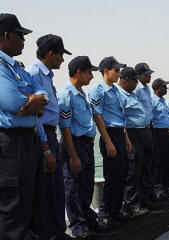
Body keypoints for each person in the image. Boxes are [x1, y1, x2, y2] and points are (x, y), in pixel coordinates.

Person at [0, 13, 49, 240]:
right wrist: (34, 100)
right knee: (14, 208)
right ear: (6, 35)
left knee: (32, 201)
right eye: (20, 35)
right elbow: (14, 103)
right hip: (11, 143)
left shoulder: (16, 67)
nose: (24, 40)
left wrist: (38, 99)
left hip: (28, 139)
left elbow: (41, 94)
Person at [26, 34, 72, 240]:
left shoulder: (47, 76)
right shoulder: (34, 73)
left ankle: (57, 232)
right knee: (45, 191)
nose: (63, 59)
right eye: (61, 54)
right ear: (51, 53)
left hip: (51, 135)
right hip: (41, 135)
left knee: (56, 188)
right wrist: (45, 147)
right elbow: (36, 115)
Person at [58, 56, 100, 238]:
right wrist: (73, 155)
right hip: (74, 144)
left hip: (86, 144)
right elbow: (65, 127)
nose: (91, 75)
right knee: (73, 187)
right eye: (89, 72)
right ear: (79, 73)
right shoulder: (66, 94)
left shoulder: (81, 92)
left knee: (86, 184)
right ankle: (78, 226)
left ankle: (88, 220)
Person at [89, 56, 131, 228]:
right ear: (106, 71)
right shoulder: (97, 90)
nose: (119, 73)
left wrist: (126, 138)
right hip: (109, 135)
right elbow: (97, 116)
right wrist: (108, 141)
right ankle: (105, 213)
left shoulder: (115, 90)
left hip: (120, 133)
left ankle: (116, 209)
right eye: (116, 70)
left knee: (122, 175)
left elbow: (121, 116)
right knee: (111, 175)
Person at [118, 67, 151, 216]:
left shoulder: (131, 94)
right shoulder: (120, 95)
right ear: (125, 80)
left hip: (142, 132)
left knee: (142, 168)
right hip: (132, 134)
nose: (136, 84)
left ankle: (142, 200)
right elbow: (121, 118)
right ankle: (130, 204)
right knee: (132, 171)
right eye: (134, 81)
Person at [134, 62, 155, 205]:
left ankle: (148, 194)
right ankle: (140, 199)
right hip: (138, 130)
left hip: (149, 129)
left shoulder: (147, 89)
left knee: (149, 164)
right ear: (140, 75)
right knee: (138, 166)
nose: (149, 77)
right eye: (147, 75)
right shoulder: (136, 89)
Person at [151, 78, 169, 200]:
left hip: (166, 133)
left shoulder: (163, 100)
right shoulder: (152, 100)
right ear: (158, 88)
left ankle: (167, 188)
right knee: (158, 163)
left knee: (167, 162)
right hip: (158, 134)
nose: (166, 89)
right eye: (164, 86)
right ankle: (158, 190)